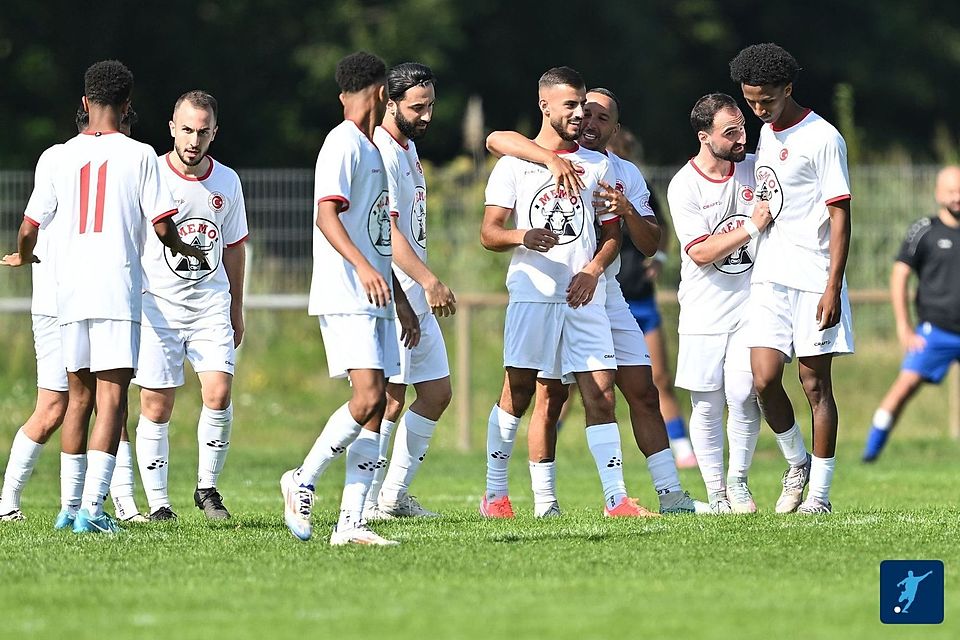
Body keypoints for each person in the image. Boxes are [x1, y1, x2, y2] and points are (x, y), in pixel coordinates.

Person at [2, 60, 202, 534]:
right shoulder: (139, 156)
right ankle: (93, 509)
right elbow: (161, 225)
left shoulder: (54, 156)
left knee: (76, 399)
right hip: (115, 288)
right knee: (110, 402)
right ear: (127, 105)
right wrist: (181, 246)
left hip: (69, 293)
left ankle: (68, 509)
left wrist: (26, 256)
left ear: (85, 102)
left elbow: (29, 227)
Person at [485, 87, 707, 515]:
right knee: (544, 395)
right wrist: (549, 160)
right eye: (582, 112)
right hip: (549, 293)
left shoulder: (614, 170)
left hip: (604, 294)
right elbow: (495, 140)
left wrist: (623, 215)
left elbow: (644, 241)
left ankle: (663, 496)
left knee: (637, 390)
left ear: (615, 129)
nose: (588, 121)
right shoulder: (532, 157)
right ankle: (530, 500)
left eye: (600, 117)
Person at [280, 51, 419, 546]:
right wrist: (362, 269)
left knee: (379, 406)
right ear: (383, 93)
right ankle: (303, 478)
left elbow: (375, 235)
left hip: (376, 295)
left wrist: (399, 298)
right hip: (346, 292)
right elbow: (327, 215)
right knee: (367, 399)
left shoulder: (369, 148)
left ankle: (350, 524)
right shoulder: (342, 144)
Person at [0, 106, 145, 524]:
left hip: (83, 300)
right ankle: (11, 499)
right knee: (56, 407)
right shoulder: (67, 164)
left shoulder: (72, 163)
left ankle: (116, 503)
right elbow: (32, 231)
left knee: (109, 402)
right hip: (57, 305)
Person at [730, 43, 854, 514]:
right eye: (751, 100)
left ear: (788, 88)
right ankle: (796, 462)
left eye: (767, 100)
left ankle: (818, 496)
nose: (759, 109)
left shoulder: (823, 138)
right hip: (769, 276)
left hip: (813, 277)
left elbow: (840, 217)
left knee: (814, 384)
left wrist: (832, 286)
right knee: (762, 379)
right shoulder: (764, 132)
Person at [132, 90, 248, 521]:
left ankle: (207, 488)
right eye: (186, 130)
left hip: (210, 304)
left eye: (203, 131)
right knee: (156, 406)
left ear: (214, 132)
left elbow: (235, 247)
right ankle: (160, 504)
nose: (193, 140)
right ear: (171, 128)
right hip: (157, 307)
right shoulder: (151, 175)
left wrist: (237, 307)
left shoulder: (227, 181)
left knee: (218, 393)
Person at [359, 62, 456, 520]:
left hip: (415, 291)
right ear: (389, 102)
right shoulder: (382, 150)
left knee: (436, 392)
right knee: (391, 397)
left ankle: (392, 496)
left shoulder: (408, 147)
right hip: (397, 291)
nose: (427, 116)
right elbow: (390, 233)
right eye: (418, 107)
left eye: (431, 105)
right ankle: (367, 500)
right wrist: (428, 280)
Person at [668, 93, 770, 513]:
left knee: (744, 393)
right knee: (707, 402)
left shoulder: (754, 167)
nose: (742, 137)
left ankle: (739, 482)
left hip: (752, 303)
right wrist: (751, 226)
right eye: (731, 132)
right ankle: (716, 493)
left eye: (743, 127)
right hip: (704, 308)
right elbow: (700, 252)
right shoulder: (684, 184)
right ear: (704, 136)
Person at [863, 166, 960, 462]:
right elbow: (899, 275)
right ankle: (870, 454)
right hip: (935, 331)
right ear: (939, 193)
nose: (958, 197)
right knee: (902, 389)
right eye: (952, 191)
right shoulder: (924, 230)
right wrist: (904, 326)